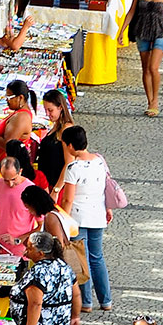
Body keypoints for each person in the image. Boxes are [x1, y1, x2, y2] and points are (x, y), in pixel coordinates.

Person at [60, 126, 114, 312]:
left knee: (79, 259)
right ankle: (106, 300)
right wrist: (107, 208)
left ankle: (86, 301)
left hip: (78, 217)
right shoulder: (100, 161)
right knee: (97, 257)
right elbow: (106, 186)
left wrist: (63, 221)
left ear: (69, 145)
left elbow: (68, 198)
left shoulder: (73, 168)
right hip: (97, 215)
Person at [0, 158, 38, 256]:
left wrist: (18, 240)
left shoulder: (31, 189)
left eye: (13, 179)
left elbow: (41, 225)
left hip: (22, 253)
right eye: (6, 180)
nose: (10, 184)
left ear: (20, 171)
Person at [37, 89, 74, 199]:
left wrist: (56, 189)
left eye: (50, 110)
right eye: (45, 110)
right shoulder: (57, 126)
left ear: (60, 108)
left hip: (56, 186)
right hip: (49, 183)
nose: (47, 114)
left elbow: (69, 162)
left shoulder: (66, 129)